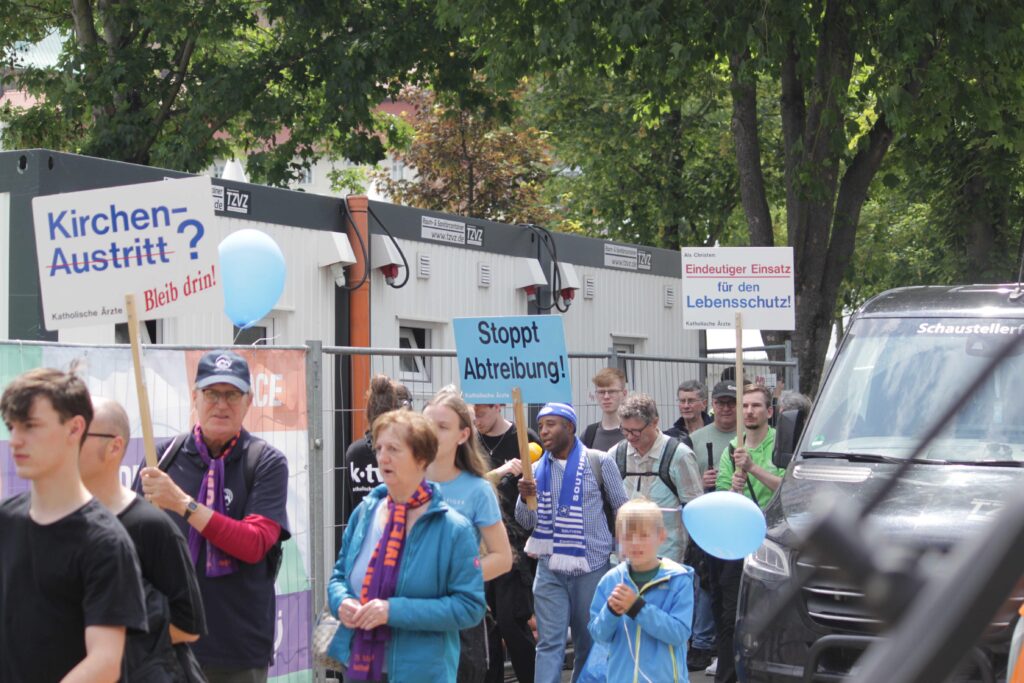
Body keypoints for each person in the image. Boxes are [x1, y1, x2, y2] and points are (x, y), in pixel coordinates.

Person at [137, 350, 290, 682]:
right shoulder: (161, 459)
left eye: (232, 394)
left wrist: (183, 504)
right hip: (169, 643)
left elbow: (253, 544)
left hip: (238, 649)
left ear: (248, 401)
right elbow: (132, 546)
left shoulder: (265, 462)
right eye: (212, 393)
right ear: (195, 397)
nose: (222, 404)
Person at [0, 367, 147, 682]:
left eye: (30, 426)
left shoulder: (105, 543)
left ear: (74, 428)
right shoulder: (6, 520)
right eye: (12, 427)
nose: (15, 440)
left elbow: (105, 662)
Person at [326, 409, 487, 682]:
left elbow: (469, 607)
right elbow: (339, 577)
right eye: (379, 448)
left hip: (421, 673)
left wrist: (392, 611)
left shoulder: (453, 529)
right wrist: (342, 602)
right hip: (359, 667)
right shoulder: (365, 512)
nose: (382, 458)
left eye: (394, 449)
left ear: (421, 458)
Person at [80, 396, 208, 682]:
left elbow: (188, 627)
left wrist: (112, 623)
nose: (68, 442)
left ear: (115, 446)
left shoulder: (150, 526)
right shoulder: (60, 523)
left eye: (81, 433)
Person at [516, 402, 629, 683]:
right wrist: (524, 496)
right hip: (549, 569)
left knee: (588, 643)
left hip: (592, 568)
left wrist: (623, 559)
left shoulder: (599, 461)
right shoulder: (536, 469)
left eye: (551, 424)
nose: (543, 431)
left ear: (569, 427)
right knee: (548, 644)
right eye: (541, 425)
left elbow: (622, 510)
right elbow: (526, 523)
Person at [424, 389, 513, 682]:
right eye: (427, 425)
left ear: (463, 435)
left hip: (459, 618)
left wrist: (457, 577)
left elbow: (502, 558)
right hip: (411, 615)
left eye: (443, 427)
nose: (432, 434)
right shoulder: (404, 481)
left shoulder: (477, 490)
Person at [710, 384, 784, 683]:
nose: (749, 411)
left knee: (772, 613)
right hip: (739, 539)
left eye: (756, 406)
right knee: (730, 616)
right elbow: (723, 496)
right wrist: (733, 489)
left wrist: (753, 468)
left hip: (775, 538)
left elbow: (787, 487)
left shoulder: (783, 444)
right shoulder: (731, 448)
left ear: (769, 411)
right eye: (745, 406)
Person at [587, 498, 694, 683]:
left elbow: (679, 634)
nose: (635, 543)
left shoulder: (678, 580)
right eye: (628, 536)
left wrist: (637, 607)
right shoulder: (611, 580)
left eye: (644, 535)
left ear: (661, 536)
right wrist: (610, 612)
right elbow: (598, 635)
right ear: (618, 539)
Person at [472, 403, 541, 683]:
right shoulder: (469, 443)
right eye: (472, 413)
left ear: (498, 407)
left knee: (513, 622)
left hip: (516, 543)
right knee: (487, 626)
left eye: (481, 412)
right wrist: (500, 471)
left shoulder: (525, 439)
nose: (477, 419)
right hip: (479, 541)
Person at [684, 380, 738, 672]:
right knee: (708, 586)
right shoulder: (696, 438)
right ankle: (707, 643)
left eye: (732, 402)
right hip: (708, 523)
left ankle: (725, 646)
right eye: (721, 402)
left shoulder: (747, 438)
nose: (726, 408)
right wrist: (701, 483)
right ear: (712, 405)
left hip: (738, 525)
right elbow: (686, 481)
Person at [613, 393, 702, 562]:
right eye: (625, 431)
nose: (630, 437)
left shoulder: (679, 456)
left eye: (636, 431)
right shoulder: (616, 455)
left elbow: (695, 509)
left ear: (654, 423)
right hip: (626, 560)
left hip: (668, 560)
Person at [344, 376, 400, 520]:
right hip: (394, 530)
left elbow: (351, 502)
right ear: (396, 410)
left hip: (360, 530)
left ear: (368, 411)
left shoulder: (353, 452)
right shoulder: (402, 452)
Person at [581, 368, 628, 450]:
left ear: (624, 394)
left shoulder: (633, 433)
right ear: (596, 395)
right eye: (601, 392)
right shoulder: (589, 434)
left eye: (612, 391)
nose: (606, 397)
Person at [664, 380, 712, 445]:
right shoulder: (670, 437)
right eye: (682, 401)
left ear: (704, 404)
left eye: (691, 401)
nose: (686, 406)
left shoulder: (714, 431)